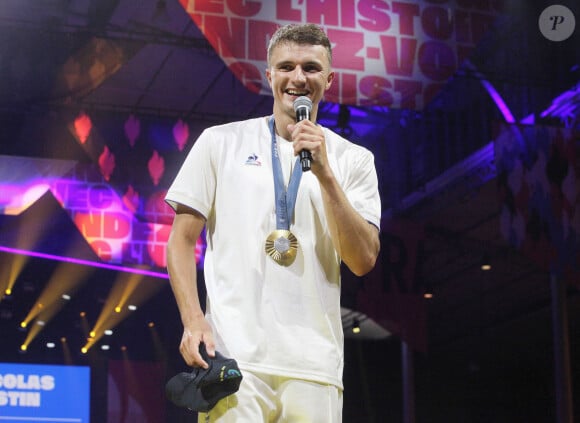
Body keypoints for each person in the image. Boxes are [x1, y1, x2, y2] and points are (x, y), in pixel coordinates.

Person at [165, 23, 381, 422]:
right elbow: (180, 241)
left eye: (311, 68)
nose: (298, 78)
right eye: (286, 67)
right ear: (269, 76)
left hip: (315, 366)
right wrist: (194, 321)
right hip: (234, 358)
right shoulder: (220, 143)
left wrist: (326, 176)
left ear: (329, 79)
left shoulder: (353, 160)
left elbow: (363, 260)